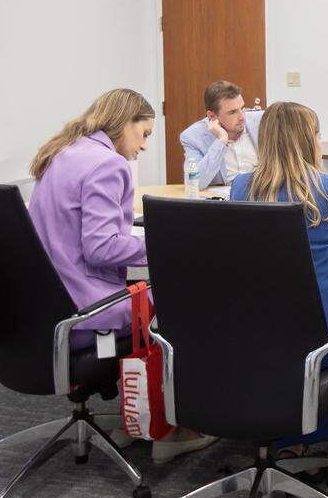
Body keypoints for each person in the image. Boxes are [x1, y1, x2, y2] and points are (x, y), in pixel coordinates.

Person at [28, 88, 216, 463]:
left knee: (152, 295)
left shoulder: (64, 153)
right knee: (188, 302)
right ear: (123, 123)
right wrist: (165, 245)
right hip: (86, 306)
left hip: (44, 304)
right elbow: (101, 248)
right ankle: (172, 428)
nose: (144, 146)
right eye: (144, 134)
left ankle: (133, 423)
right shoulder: (107, 164)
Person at [230, 102, 328, 451]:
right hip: (322, 341)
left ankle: (283, 433)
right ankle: (314, 435)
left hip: (257, 334)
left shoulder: (241, 187)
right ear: (310, 139)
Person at [179, 80, 263, 188]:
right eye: (232, 112)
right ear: (212, 116)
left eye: (242, 108)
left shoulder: (261, 122)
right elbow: (194, 183)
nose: (242, 117)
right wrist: (221, 142)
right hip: (227, 202)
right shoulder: (193, 137)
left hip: (262, 197)